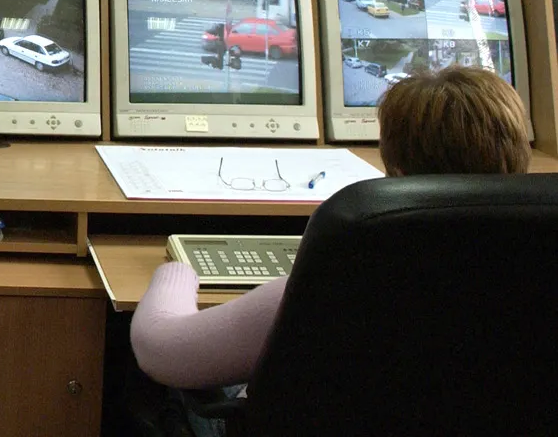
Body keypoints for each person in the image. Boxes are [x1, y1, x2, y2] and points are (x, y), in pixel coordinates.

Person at [130, 66, 530, 427]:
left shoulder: (345, 284)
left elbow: (158, 348)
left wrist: (176, 273)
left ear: (397, 172)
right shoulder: (534, 280)